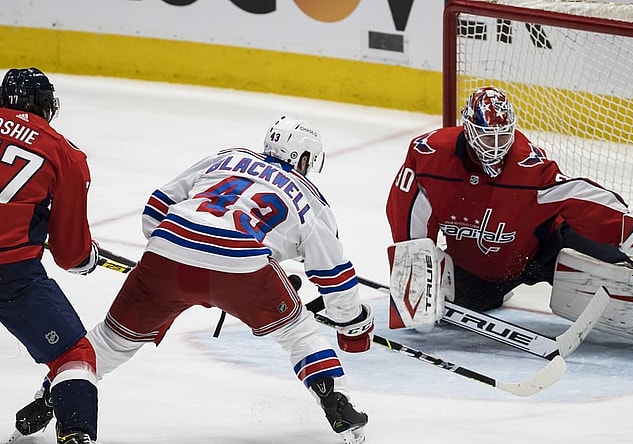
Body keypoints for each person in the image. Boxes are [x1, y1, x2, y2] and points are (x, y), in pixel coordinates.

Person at [14, 115, 373, 444]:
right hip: (241, 266)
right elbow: (334, 277)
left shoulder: (227, 158)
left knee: (109, 342)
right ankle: (334, 399)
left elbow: (158, 205)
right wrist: (353, 326)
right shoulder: (311, 200)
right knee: (299, 331)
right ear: (306, 159)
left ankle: (46, 402)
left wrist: (168, 256)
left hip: (168, 248)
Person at [384, 85, 633, 359]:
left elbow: (578, 197)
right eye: (487, 135)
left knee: (613, 274)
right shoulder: (429, 154)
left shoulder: (527, 165)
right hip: (484, 270)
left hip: (546, 246)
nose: (496, 145)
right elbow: (405, 209)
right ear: (468, 128)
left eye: (503, 135)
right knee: (463, 304)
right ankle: (495, 291)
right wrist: (412, 267)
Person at [0, 68, 101, 444]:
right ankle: (75, 433)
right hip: (13, 276)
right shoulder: (64, 152)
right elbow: (70, 253)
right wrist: (86, 257)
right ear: (47, 107)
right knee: (74, 354)